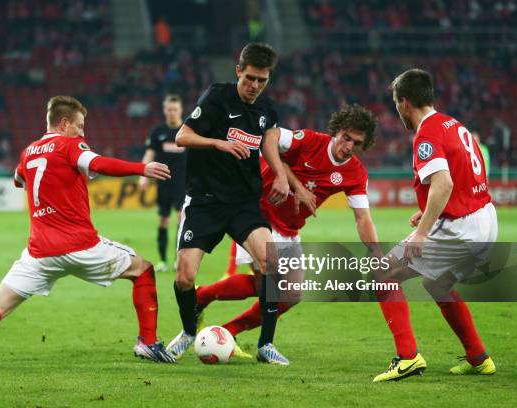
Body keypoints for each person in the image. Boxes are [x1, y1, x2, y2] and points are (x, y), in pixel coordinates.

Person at [0, 96, 176, 368]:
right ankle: (147, 342)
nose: (82, 132)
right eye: (79, 125)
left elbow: (18, 180)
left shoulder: (28, 152)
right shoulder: (70, 144)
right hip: (81, 246)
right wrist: (141, 168)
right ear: (64, 124)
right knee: (143, 269)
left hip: (39, 254)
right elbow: (97, 163)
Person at [194, 104, 381, 356]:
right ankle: (229, 324)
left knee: (291, 295)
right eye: (346, 137)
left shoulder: (356, 173)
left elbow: (363, 218)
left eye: (356, 143)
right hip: (258, 211)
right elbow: (269, 136)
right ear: (336, 131)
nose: (348, 146)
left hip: (290, 227)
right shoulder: (310, 140)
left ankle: (216, 315)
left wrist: (375, 252)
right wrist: (293, 184)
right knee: (267, 285)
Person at [166, 43, 290, 365]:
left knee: (271, 265)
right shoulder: (217, 97)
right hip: (204, 201)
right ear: (238, 71)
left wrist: (279, 175)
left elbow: (270, 144)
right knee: (185, 276)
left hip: (243, 203)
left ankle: (266, 344)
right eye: (250, 78)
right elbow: (182, 136)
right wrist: (217, 143)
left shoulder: (266, 111)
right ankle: (189, 332)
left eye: (262, 81)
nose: (255, 86)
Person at [372, 69, 497, 382]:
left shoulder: (426, 133)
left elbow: (443, 182)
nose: (396, 109)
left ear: (405, 102)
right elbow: (463, 179)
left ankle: (407, 357)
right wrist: (428, 211)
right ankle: (478, 357)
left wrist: (423, 232)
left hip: (462, 227)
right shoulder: (454, 125)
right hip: (485, 218)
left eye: (395, 102)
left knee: (382, 274)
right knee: (436, 284)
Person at [138, 95, 186, 273]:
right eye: (168, 109)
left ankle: (178, 260)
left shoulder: (187, 130)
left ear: (180, 110)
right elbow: (149, 154)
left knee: (182, 220)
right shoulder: (158, 131)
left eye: (175, 109)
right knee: (163, 220)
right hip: (163, 183)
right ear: (164, 110)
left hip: (183, 183)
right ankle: (163, 260)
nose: (172, 112)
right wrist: (143, 175)